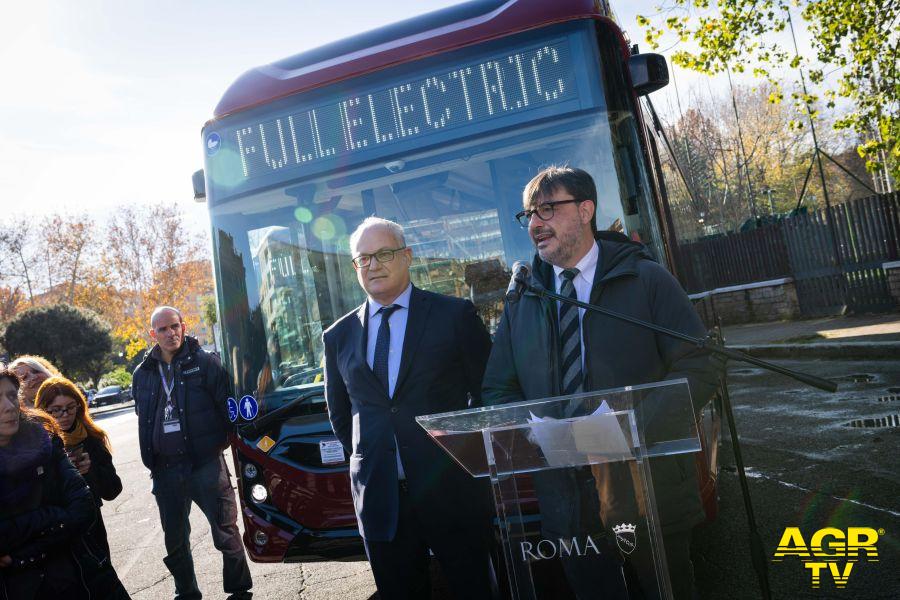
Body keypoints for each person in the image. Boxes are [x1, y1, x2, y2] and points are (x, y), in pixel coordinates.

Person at [482, 166, 723, 599]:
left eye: (547, 210)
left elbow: (700, 367)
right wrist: (535, 433)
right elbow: (498, 389)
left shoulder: (645, 279)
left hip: (647, 489)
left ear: (586, 210)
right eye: (529, 216)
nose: (535, 224)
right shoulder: (523, 298)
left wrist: (629, 430)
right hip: (567, 499)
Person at [323, 217, 495, 600]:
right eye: (363, 259)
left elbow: (488, 393)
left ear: (408, 256)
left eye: (383, 254)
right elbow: (340, 414)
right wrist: (368, 460)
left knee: (474, 589)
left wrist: (469, 458)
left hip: (451, 490)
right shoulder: (337, 336)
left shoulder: (454, 316)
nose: (373, 265)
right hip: (381, 499)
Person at [132, 306, 252, 600]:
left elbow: (227, 409)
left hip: (205, 464)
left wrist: (218, 446)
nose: (170, 333)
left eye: (175, 326)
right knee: (175, 540)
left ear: (183, 327)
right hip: (165, 470)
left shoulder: (205, 362)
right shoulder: (143, 373)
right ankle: (185, 593)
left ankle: (239, 590)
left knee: (226, 532)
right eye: (163, 329)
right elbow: (144, 414)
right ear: (153, 334)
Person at [0, 367, 98, 599]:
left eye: (11, 395)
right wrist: (55, 515)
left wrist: (24, 555)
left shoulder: (45, 438)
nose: (8, 406)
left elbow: (83, 509)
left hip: (73, 578)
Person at [34, 377, 124, 560]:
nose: (65, 415)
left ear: (79, 406)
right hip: (55, 532)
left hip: (91, 526)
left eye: (70, 407)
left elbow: (113, 489)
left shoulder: (92, 438)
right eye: (56, 410)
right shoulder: (34, 444)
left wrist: (90, 471)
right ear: (43, 411)